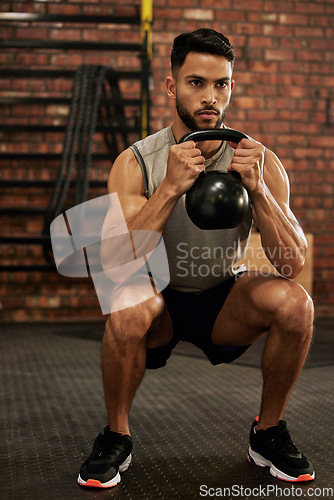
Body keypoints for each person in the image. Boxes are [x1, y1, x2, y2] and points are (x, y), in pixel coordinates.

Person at [77, 28, 315, 489]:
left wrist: (259, 189)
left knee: (296, 304)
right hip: (157, 301)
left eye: (221, 83)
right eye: (196, 82)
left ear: (231, 86)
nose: (210, 96)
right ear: (171, 86)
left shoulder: (258, 160)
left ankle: (267, 432)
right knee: (125, 303)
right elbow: (120, 261)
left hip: (223, 298)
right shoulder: (137, 162)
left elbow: (291, 263)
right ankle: (116, 436)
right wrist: (168, 187)